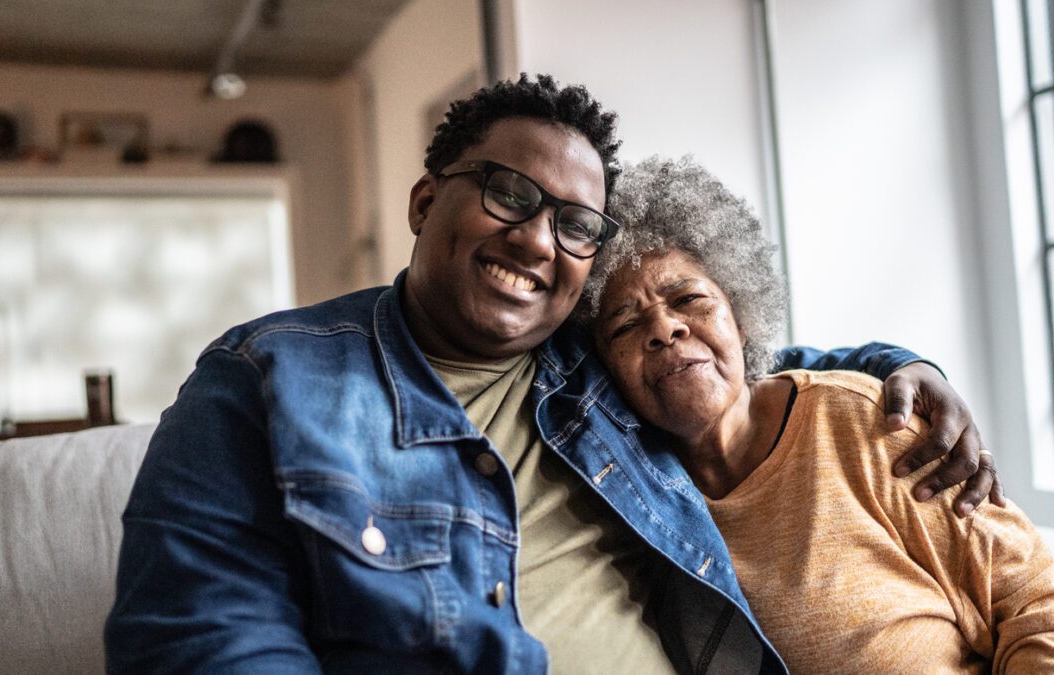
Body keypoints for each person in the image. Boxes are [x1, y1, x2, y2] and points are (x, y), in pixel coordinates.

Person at [106, 75, 1001, 673]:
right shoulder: (265, 379)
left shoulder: (593, 367)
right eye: (508, 193)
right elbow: (205, 641)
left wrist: (902, 365)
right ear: (426, 202)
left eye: (576, 223)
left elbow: (735, 361)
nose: (538, 238)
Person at [585, 155, 1054, 673]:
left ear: (741, 315)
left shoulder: (865, 422)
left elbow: (1038, 604)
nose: (664, 328)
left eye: (689, 298)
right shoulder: (626, 494)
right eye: (625, 325)